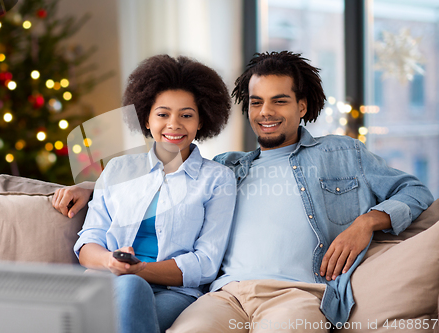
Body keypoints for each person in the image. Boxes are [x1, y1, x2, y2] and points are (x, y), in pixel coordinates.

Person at [56, 51, 434, 332]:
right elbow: (168, 175)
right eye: (256, 102)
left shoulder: (342, 152)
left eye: (280, 100)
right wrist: (92, 187)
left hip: (297, 294)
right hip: (225, 295)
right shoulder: (228, 166)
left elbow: (414, 191)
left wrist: (366, 222)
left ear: (302, 106)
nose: (265, 112)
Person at [53, 54, 237, 333]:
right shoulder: (117, 170)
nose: (174, 125)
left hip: (175, 294)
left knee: (130, 292)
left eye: (186, 115)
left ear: (201, 121)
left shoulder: (217, 179)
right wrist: (111, 263)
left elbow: (205, 262)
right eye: (162, 114)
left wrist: (139, 271)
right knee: (128, 289)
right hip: (107, 283)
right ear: (146, 119)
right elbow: (90, 239)